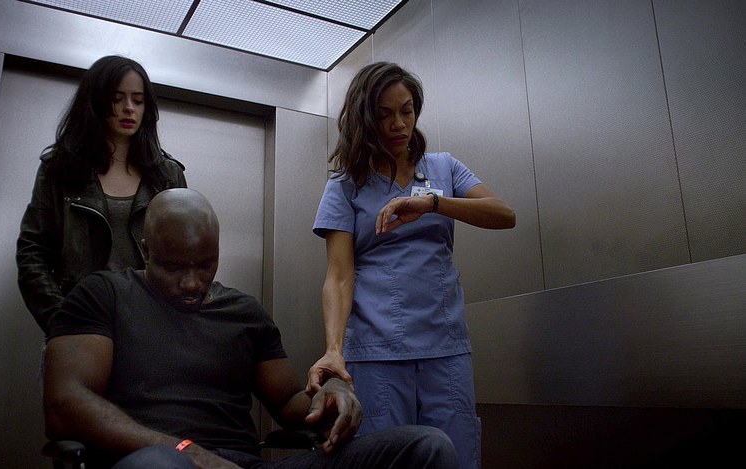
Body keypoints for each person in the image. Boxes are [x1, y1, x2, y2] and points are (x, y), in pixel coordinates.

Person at [43, 188, 459, 469]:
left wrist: (332, 394)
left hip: (241, 464)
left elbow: (291, 401)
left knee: (426, 447)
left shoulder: (243, 312)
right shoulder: (104, 295)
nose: (191, 283)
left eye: (205, 265)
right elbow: (65, 404)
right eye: (173, 267)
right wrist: (188, 452)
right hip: (155, 460)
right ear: (146, 252)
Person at [307, 62, 516, 469]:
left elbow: (504, 214)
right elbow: (339, 276)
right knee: (387, 456)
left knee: (454, 455)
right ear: (365, 118)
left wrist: (432, 203)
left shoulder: (443, 168)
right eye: (385, 114)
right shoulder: (345, 185)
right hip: (376, 350)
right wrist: (334, 350)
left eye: (407, 111)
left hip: (444, 346)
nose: (398, 124)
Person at [17, 55, 187, 333]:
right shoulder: (60, 169)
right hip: (80, 320)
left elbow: (185, 256)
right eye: (117, 98)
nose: (129, 108)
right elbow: (33, 253)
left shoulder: (167, 175)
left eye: (138, 100)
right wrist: (63, 321)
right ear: (95, 101)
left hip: (149, 325)